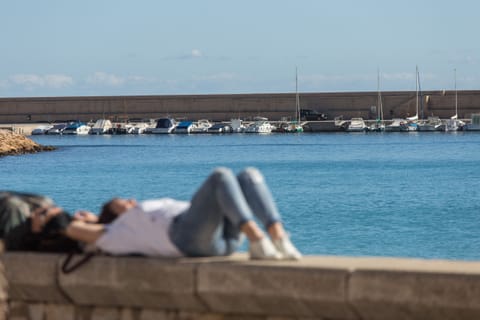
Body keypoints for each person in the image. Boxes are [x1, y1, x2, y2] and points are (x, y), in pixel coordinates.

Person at [64, 167, 302, 260]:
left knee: (249, 175)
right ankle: (256, 238)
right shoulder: (118, 231)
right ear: (115, 217)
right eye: (123, 203)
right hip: (186, 238)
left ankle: (279, 237)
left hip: (220, 239)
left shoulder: (128, 219)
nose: (131, 201)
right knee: (220, 176)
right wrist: (94, 220)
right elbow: (78, 230)